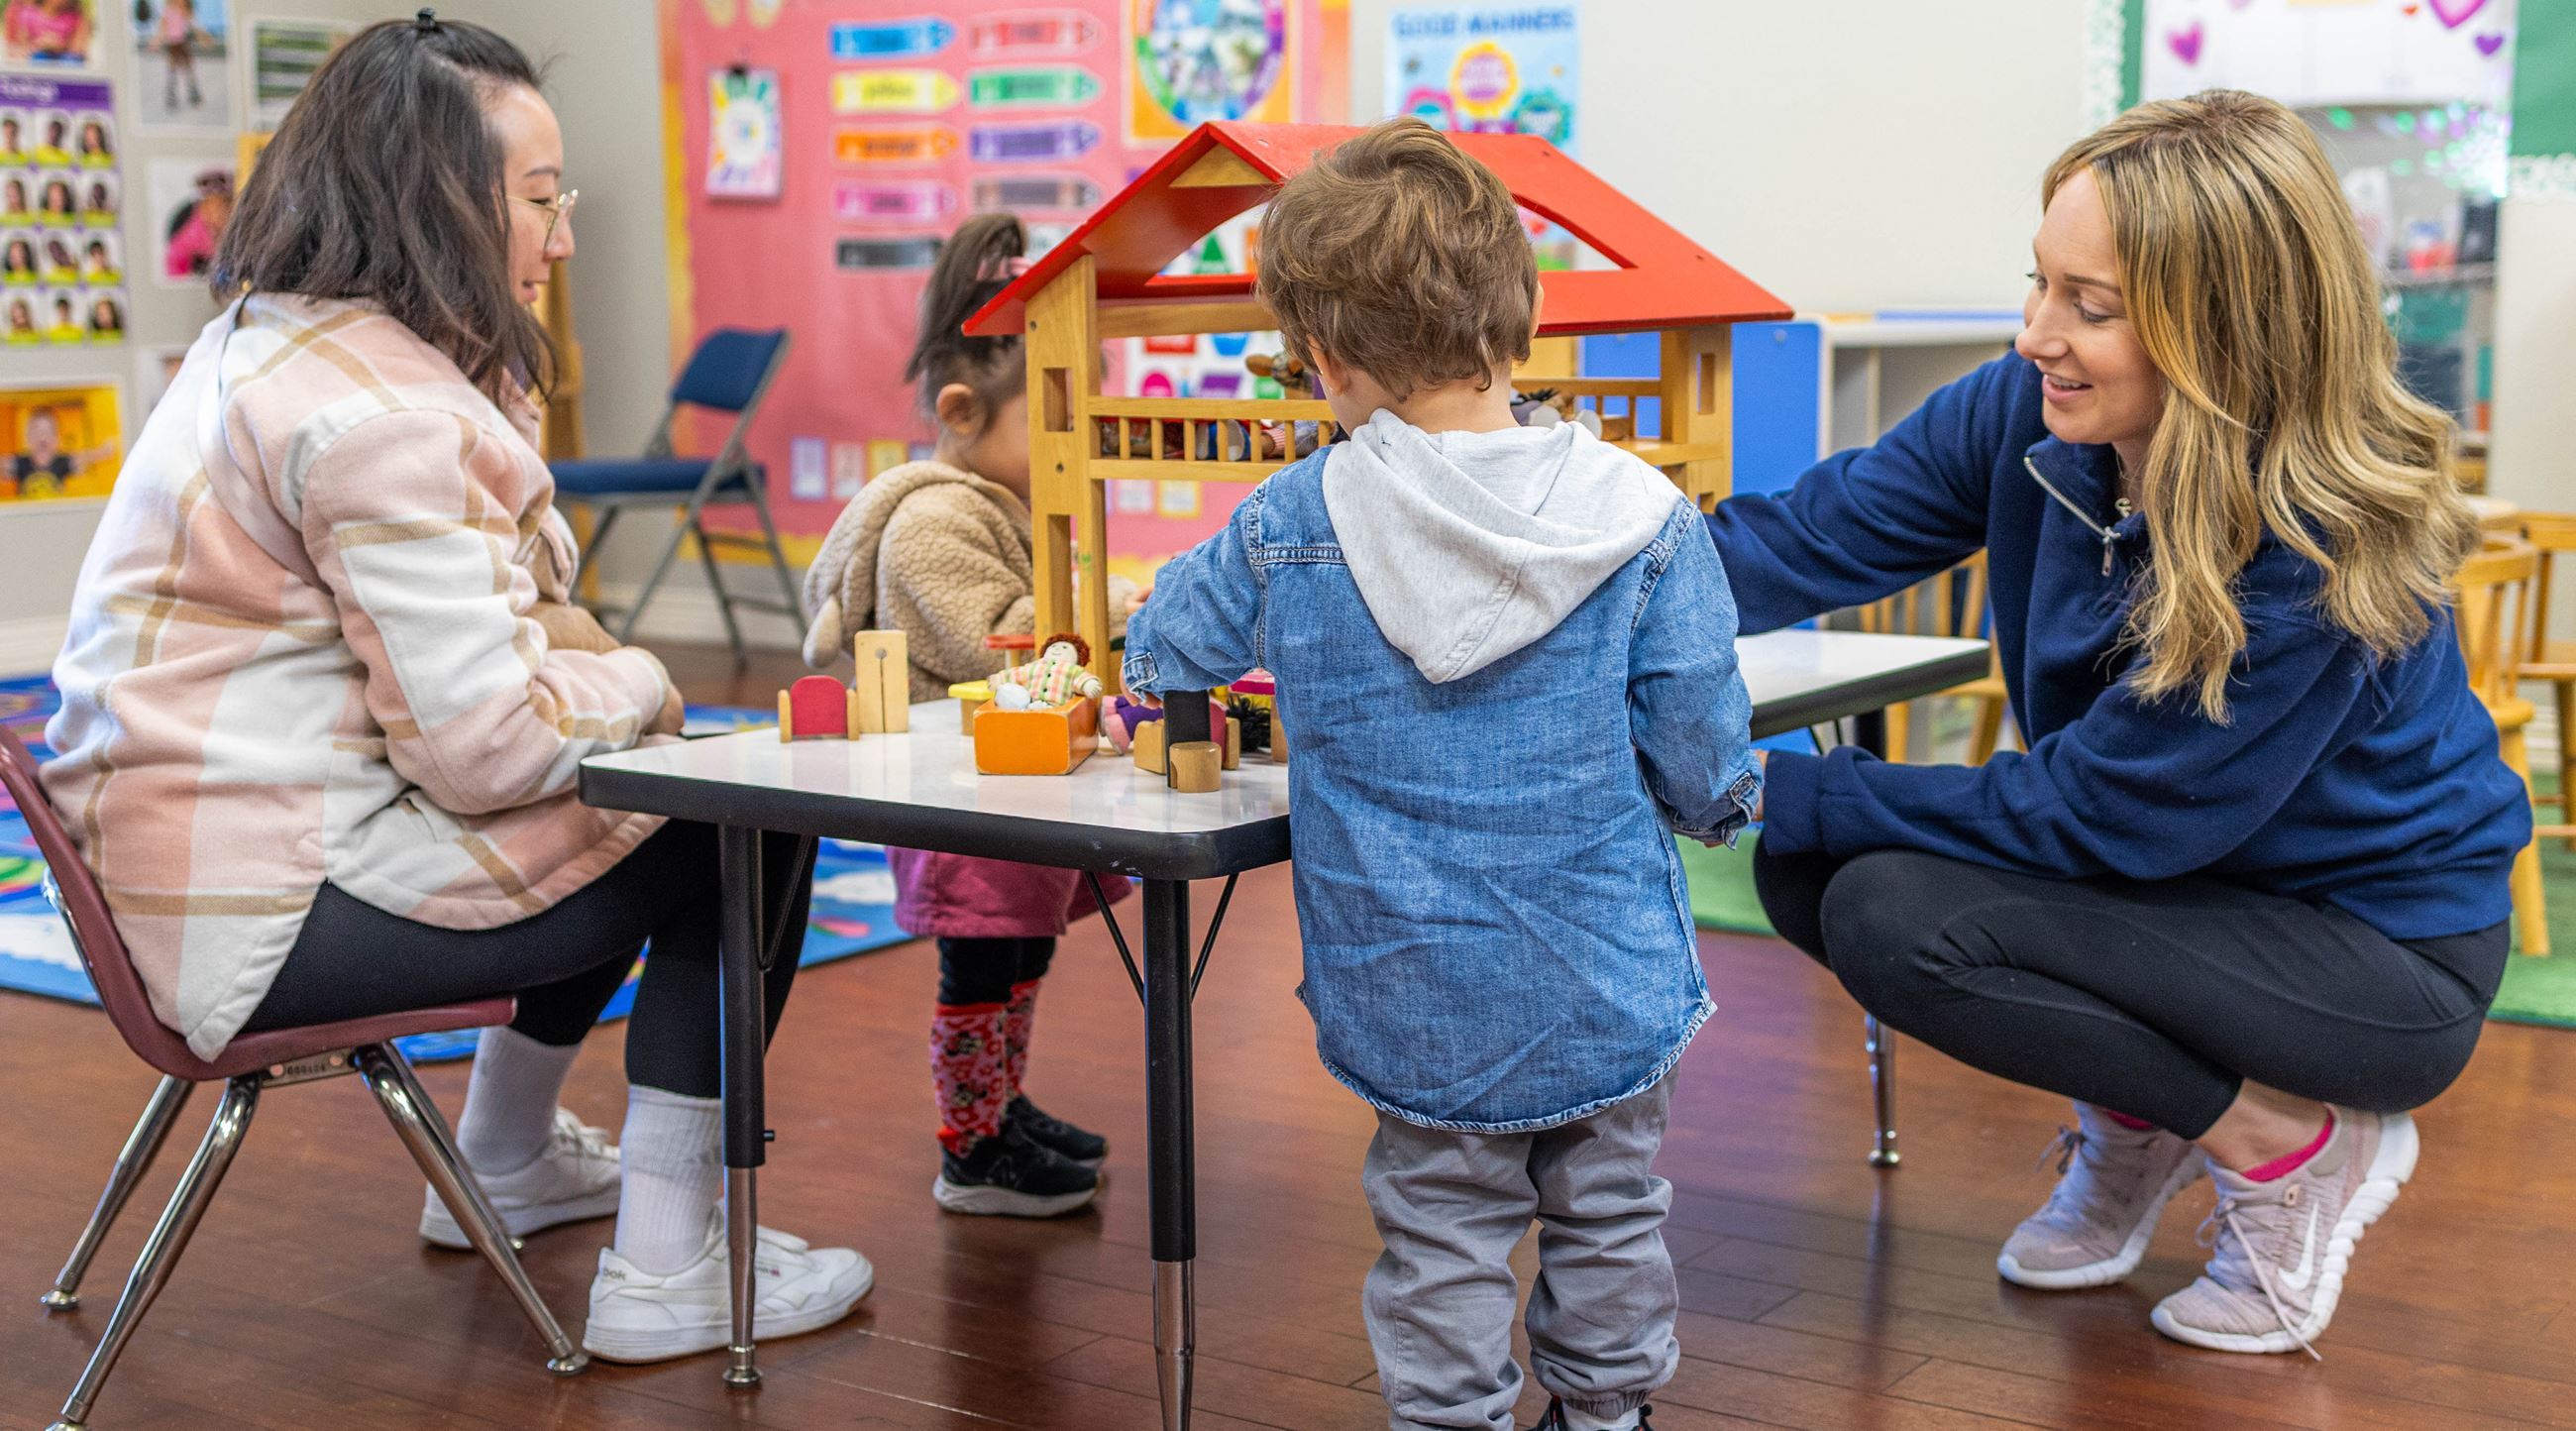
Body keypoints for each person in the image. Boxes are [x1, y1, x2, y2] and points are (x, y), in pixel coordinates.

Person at [41, 13, 871, 1367]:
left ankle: (503, 1154)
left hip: (186, 879)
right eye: (541, 201)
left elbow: (496, 676)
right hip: (261, 917)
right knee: (742, 815)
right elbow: (488, 749)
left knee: (637, 792)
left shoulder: (273, 341)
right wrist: (646, 680)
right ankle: (669, 1265)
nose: (564, 238)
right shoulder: (386, 419)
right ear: (433, 203)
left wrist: (593, 686)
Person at [1703, 90, 2522, 1358]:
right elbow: (1799, 538)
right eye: (2037, 285)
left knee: (1881, 907)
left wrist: (1744, 780)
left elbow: (2094, 815)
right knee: (1809, 868)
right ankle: (2142, 1122)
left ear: (2228, 331)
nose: (2037, 335)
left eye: (2090, 307)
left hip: (2368, 955)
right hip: (2174, 890)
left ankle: (2288, 1143)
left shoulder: (2310, 547)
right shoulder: (2024, 416)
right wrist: (1560, 578)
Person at [1124, 118, 1759, 1431]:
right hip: (1605, 970)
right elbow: (1703, 754)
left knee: (1440, 1241)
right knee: (1613, 1216)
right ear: (1516, 316)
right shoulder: (1641, 515)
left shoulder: (1297, 519)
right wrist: (1718, 809)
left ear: (1327, 357)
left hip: (1409, 986)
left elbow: (1163, 646)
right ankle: (1608, 1415)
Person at [799, 212, 1134, 1218]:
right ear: (960, 409)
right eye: (1054, 422)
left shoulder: (1007, 506)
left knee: (1021, 953)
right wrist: (1114, 604)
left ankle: (1001, 1104)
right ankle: (971, 1144)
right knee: (981, 961)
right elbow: (986, 635)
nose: (1076, 445)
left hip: (1009, 782)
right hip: (961, 793)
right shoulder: (936, 517)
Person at [9, 403, 113, 496]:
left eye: (49, 432)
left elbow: (83, 457)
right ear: (28, 438)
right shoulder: (20, 463)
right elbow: (4, 464)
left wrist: (104, 451)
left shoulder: (62, 462)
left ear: (57, 439)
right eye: (37, 432)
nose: (43, 437)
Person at [161, 168, 228, 277]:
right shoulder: (193, 231)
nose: (218, 212)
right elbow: (175, 265)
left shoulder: (239, 226)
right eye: (211, 206)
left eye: (223, 205)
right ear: (202, 207)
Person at [3, 0, 90, 65]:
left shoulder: (76, 17)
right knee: (39, 58)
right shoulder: (28, 14)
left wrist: (58, 46)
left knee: (70, 61)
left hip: (66, 59)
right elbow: (21, 46)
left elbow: (78, 49)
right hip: (36, 57)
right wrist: (40, 44)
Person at [155, 0, 202, 111]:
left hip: (183, 44)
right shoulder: (167, 12)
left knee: (188, 70)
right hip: (172, 45)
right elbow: (162, 29)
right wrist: (157, 41)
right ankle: (171, 96)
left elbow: (193, 25)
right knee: (172, 71)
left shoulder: (184, 11)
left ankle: (193, 94)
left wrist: (201, 37)